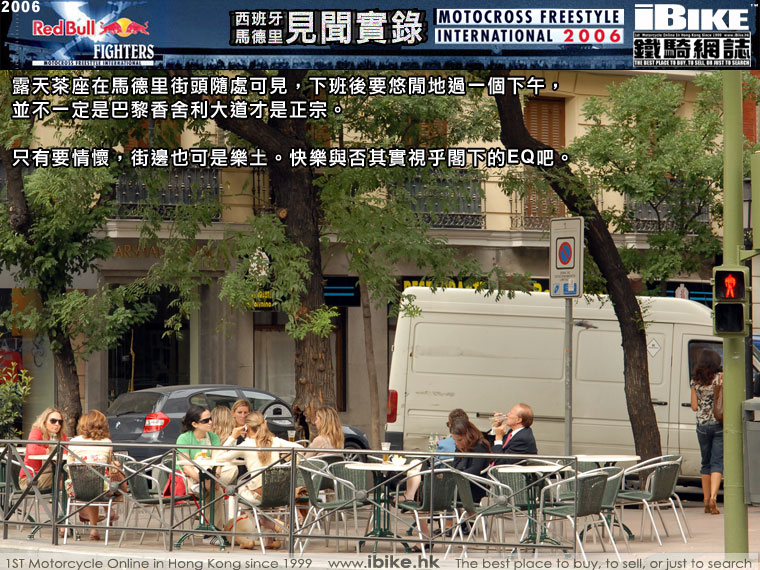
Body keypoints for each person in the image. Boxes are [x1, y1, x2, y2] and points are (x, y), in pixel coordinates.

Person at [215, 411, 303, 549]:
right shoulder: (276, 441)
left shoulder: (247, 444)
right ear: (265, 423)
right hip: (281, 495)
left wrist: (232, 437)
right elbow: (300, 448)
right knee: (262, 503)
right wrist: (288, 465)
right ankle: (268, 540)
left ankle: (268, 524)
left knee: (240, 487)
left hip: (259, 496)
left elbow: (219, 458)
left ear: (247, 428)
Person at [67, 410, 121, 541]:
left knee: (82, 485)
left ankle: (68, 525)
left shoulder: (74, 442)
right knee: (97, 483)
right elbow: (109, 466)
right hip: (102, 489)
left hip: (77, 488)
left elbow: (69, 467)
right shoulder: (107, 442)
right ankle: (106, 515)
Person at [690, 348, 723, 515]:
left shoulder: (695, 381)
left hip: (702, 426)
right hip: (718, 424)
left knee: (706, 463)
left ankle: (705, 500)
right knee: (717, 462)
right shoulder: (720, 378)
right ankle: (714, 498)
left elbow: (694, 406)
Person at [19, 407, 68, 492]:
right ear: (44, 421)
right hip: (30, 479)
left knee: (70, 477)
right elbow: (32, 449)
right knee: (65, 479)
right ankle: (63, 500)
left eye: (60, 422)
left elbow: (65, 451)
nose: (57, 424)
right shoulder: (37, 432)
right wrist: (48, 451)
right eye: (53, 421)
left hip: (51, 474)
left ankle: (64, 500)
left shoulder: (61, 436)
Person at [176, 405, 221, 491]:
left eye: (211, 419)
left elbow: (217, 461)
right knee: (215, 490)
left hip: (210, 473)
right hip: (189, 476)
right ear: (194, 424)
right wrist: (204, 481)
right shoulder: (184, 438)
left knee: (232, 469)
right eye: (206, 421)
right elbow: (186, 466)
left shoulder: (213, 437)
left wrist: (216, 476)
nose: (210, 422)